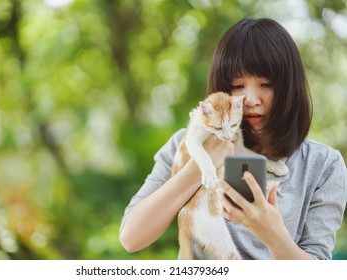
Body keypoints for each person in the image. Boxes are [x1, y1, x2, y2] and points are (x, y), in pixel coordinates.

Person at [119, 18, 347, 260]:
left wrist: (273, 235)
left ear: (289, 87)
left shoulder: (322, 165)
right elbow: (132, 237)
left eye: (266, 84)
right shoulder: (184, 142)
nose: (251, 99)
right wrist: (199, 166)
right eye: (238, 85)